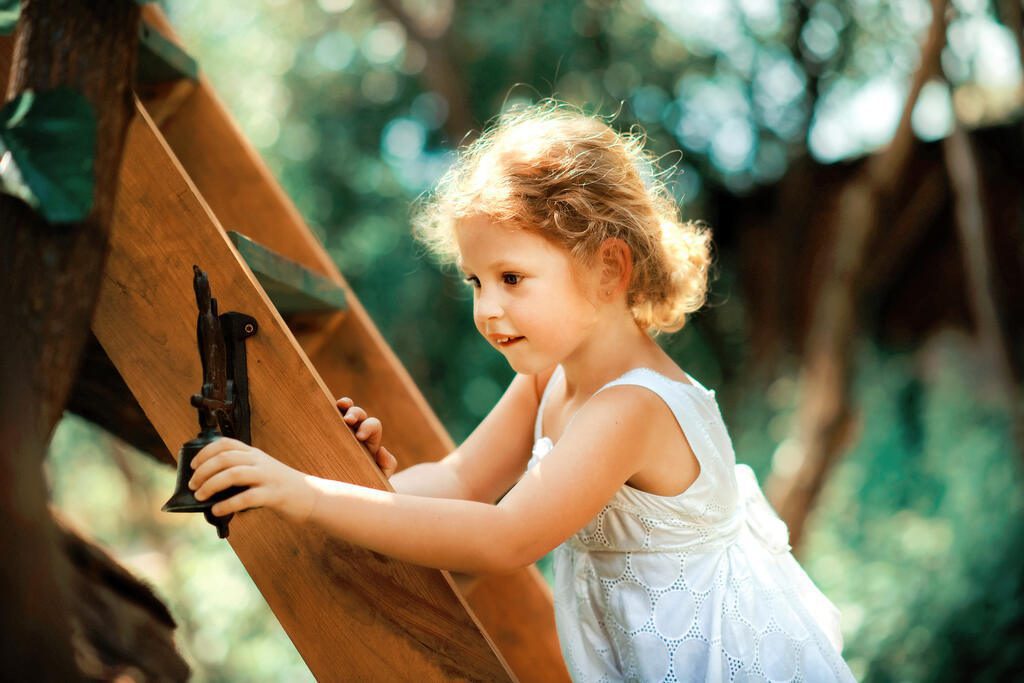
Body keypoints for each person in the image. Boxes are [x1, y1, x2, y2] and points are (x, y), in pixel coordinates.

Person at [189, 100, 857, 682]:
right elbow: (457, 482)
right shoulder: (549, 378)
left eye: (511, 277)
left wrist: (308, 497)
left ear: (609, 267)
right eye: (475, 281)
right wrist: (356, 485)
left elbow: (504, 536)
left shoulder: (634, 407)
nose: (487, 309)